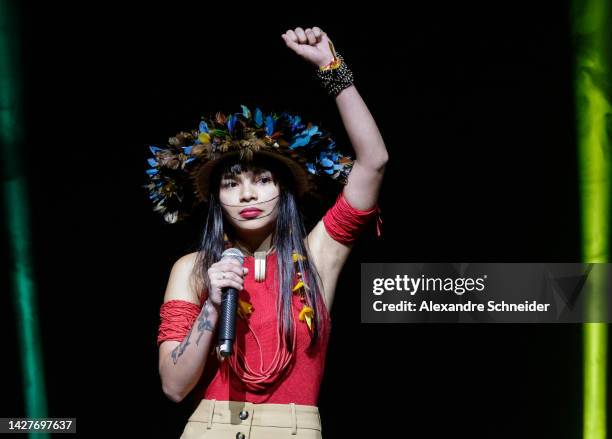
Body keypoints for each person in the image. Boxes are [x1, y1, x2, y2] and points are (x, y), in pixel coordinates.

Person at [146, 26, 388, 439]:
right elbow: (173, 386)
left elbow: (373, 162)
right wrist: (210, 306)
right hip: (211, 426)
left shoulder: (316, 257)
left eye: (262, 180)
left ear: (284, 190)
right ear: (217, 197)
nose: (247, 194)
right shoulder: (193, 268)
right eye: (232, 183)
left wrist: (331, 68)